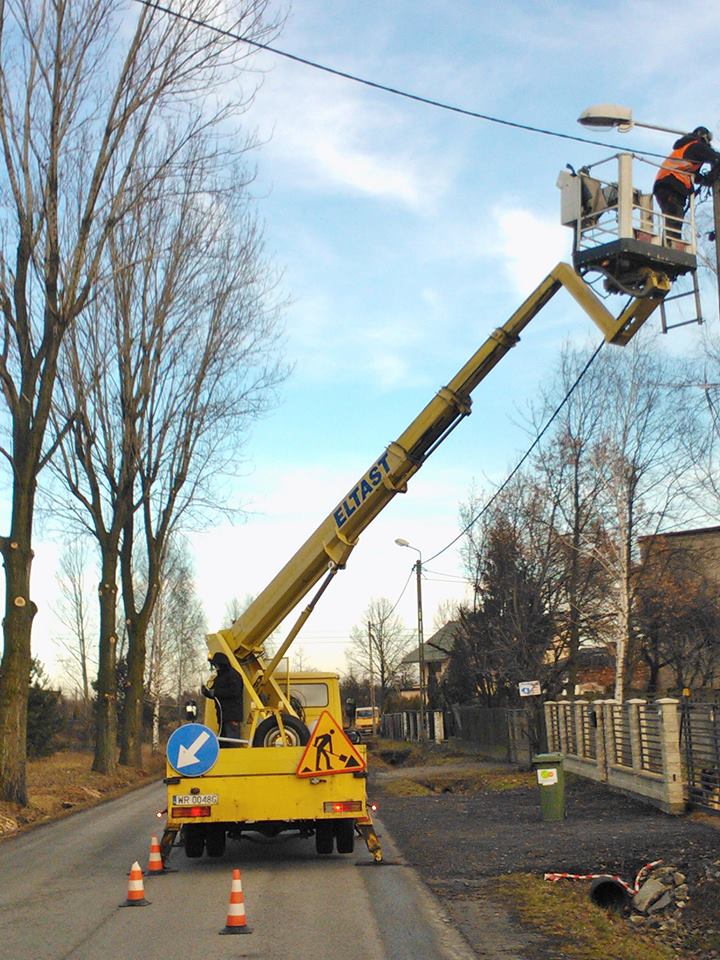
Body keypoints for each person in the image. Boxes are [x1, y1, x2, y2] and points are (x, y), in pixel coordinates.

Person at [654, 126, 720, 241]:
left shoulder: (685, 148)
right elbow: (716, 159)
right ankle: (673, 248)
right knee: (675, 221)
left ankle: (670, 244)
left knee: (672, 222)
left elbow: (695, 176)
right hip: (673, 185)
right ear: (703, 136)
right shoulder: (697, 145)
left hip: (664, 185)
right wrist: (711, 178)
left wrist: (705, 180)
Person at [201, 652, 244, 746]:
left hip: (232, 715)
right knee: (223, 743)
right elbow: (215, 693)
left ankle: (235, 759)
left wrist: (215, 692)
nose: (216, 667)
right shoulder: (220, 677)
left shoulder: (233, 675)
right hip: (222, 716)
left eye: (216, 665)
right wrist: (207, 692)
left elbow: (234, 691)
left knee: (233, 742)